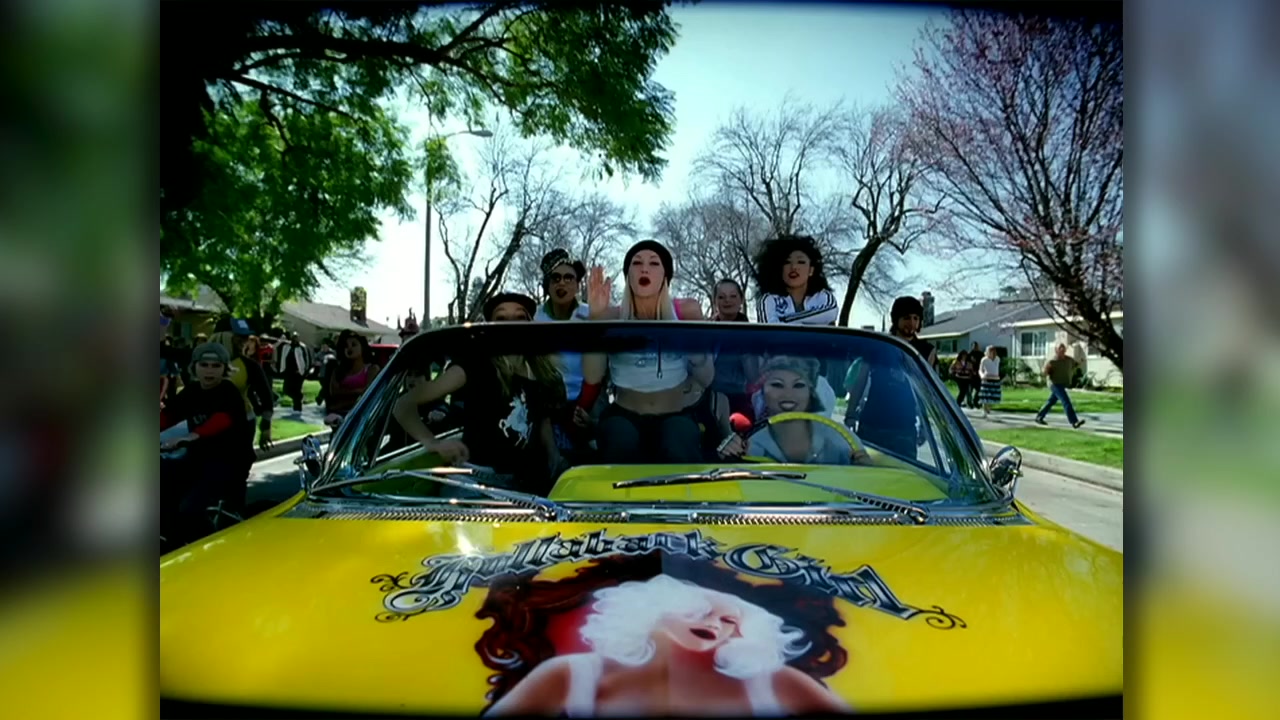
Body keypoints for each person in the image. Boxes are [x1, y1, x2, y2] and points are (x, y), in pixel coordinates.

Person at [485, 574, 849, 716]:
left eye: (729, 621)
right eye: (701, 611)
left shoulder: (774, 680)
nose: (714, 625)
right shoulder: (570, 674)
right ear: (653, 609)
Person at [392, 292, 565, 492]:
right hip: (475, 481)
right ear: (489, 328)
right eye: (501, 318)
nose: (511, 324)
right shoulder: (475, 364)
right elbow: (402, 406)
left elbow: (542, 422)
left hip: (524, 486)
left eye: (519, 317)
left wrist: (556, 460)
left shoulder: (540, 372)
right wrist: (432, 443)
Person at [579, 240, 712, 464]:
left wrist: (695, 347)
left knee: (679, 444)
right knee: (619, 442)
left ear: (665, 276)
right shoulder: (611, 316)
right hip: (623, 416)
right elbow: (592, 376)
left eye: (654, 263)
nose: (644, 269)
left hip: (676, 414)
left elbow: (707, 378)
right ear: (628, 275)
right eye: (637, 263)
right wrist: (595, 320)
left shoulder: (686, 311)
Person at [159, 342, 251, 546]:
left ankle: (204, 548)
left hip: (228, 462)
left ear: (225, 369)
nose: (209, 370)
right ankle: (170, 540)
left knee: (190, 509)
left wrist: (190, 437)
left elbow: (221, 420)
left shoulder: (228, 392)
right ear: (194, 367)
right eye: (204, 365)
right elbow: (168, 416)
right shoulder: (192, 391)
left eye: (216, 366)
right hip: (197, 458)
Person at [721, 356, 868, 465]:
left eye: (798, 385)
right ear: (763, 392)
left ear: (811, 392)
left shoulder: (843, 440)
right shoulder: (749, 445)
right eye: (777, 385)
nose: (788, 394)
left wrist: (866, 467)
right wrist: (727, 456)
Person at [533, 249, 595, 458]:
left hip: (590, 399)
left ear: (577, 285)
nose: (562, 283)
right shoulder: (534, 319)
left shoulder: (591, 315)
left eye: (569, 278)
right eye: (556, 278)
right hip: (546, 403)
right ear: (547, 285)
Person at [709, 279, 755, 420]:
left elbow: (753, 376)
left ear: (741, 300)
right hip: (708, 397)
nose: (727, 301)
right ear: (715, 301)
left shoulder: (752, 333)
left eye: (733, 296)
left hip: (739, 397)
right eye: (721, 297)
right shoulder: (706, 330)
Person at [323, 331, 382, 427]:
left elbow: (367, 392)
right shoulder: (338, 371)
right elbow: (334, 392)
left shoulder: (372, 369)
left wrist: (344, 399)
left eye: (354, 345)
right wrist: (356, 393)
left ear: (362, 347)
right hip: (339, 415)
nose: (349, 348)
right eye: (346, 346)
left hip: (362, 415)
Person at [1036, 343, 1087, 428]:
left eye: (1063, 349)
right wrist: (1046, 371)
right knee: (1066, 401)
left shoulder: (1069, 360)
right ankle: (1074, 422)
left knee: (1051, 401)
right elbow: (1045, 372)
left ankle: (1039, 417)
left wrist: (1081, 361)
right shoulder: (1053, 361)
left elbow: (1074, 365)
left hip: (1062, 384)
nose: (1062, 351)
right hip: (1054, 384)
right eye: (1060, 349)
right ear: (1056, 350)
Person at [887, 295, 938, 373]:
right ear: (896, 319)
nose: (911, 323)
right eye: (907, 318)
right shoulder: (884, 345)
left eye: (915, 318)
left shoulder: (927, 351)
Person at [275, 332, 312, 412]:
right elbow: (282, 357)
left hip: (299, 373)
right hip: (289, 372)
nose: (294, 339)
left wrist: (305, 370)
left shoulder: (302, 347)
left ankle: (297, 409)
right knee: (286, 389)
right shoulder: (286, 347)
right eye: (293, 337)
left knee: (296, 390)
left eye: (296, 337)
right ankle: (299, 397)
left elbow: (307, 359)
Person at [976, 346, 1003, 418]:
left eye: (992, 351)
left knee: (993, 396)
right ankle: (984, 411)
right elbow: (980, 370)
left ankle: (988, 408)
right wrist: (982, 376)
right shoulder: (984, 360)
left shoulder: (997, 359)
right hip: (987, 379)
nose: (991, 353)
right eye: (990, 351)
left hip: (995, 379)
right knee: (985, 396)